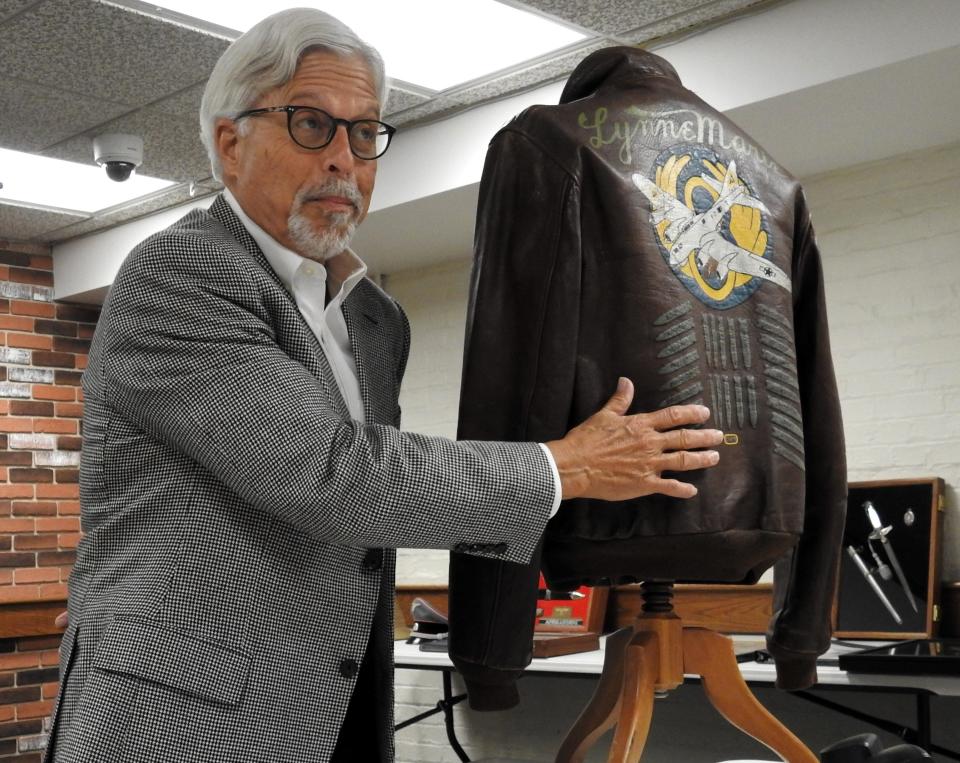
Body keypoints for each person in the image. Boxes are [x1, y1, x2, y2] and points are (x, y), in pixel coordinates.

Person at [44, 9, 722, 763]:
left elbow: (372, 511)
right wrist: (570, 465)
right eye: (311, 124)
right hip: (180, 719)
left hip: (334, 698)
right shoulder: (179, 275)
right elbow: (331, 474)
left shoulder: (375, 317)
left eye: (365, 133)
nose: (345, 159)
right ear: (231, 146)